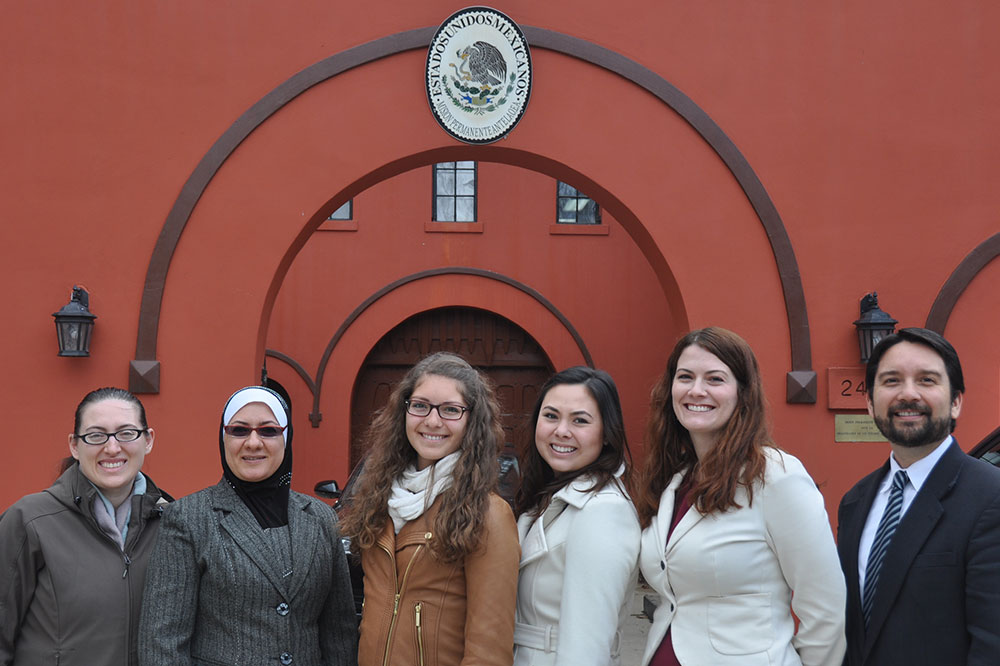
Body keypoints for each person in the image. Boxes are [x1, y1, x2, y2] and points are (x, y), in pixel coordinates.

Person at [634, 327, 846, 666]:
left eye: (715, 379)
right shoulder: (675, 479)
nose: (696, 390)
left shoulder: (777, 476)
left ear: (742, 393)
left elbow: (826, 608)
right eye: (685, 377)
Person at [138, 386, 357, 665]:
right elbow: (162, 643)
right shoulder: (188, 518)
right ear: (223, 438)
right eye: (239, 430)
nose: (253, 442)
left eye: (268, 430)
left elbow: (339, 634)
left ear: (286, 438)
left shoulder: (321, 519)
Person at [340, 351, 520, 666]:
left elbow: (489, 652)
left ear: (471, 421)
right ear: (404, 412)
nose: (432, 421)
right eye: (420, 406)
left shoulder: (489, 514)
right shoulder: (378, 498)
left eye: (450, 410)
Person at [836, 327, 1000, 665]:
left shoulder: (990, 496)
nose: (908, 394)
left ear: (955, 402)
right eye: (891, 381)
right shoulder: (854, 501)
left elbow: (993, 643)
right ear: (869, 403)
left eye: (927, 380)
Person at [0, 387, 166, 666]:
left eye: (127, 433)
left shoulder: (173, 524)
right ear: (75, 445)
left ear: (148, 440)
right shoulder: (29, 521)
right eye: (96, 435)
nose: (112, 448)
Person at [512, 366, 640, 666]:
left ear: (607, 433)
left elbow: (588, 644)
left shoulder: (603, 511)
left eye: (580, 420)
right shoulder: (547, 498)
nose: (561, 431)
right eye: (551, 416)